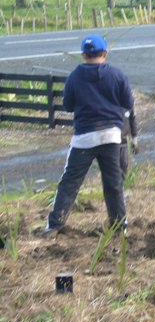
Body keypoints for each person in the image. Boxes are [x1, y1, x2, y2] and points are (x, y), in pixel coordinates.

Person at [42, 34, 134, 236]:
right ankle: (120, 226)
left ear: (83, 55)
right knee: (113, 182)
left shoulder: (75, 76)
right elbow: (128, 103)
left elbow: (68, 105)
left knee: (70, 181)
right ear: (105, 54)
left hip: (84, 136)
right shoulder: (117, 75)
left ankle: (55, 224)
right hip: (111, 135)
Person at [119, 109, 139, 181]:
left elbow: (133, 122)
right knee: (112, 167)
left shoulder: (128, 106)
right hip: (111, 142)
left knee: (124, 165)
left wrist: (135, 142)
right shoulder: (110, 104)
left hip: (124, 142)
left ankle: (122, 184)